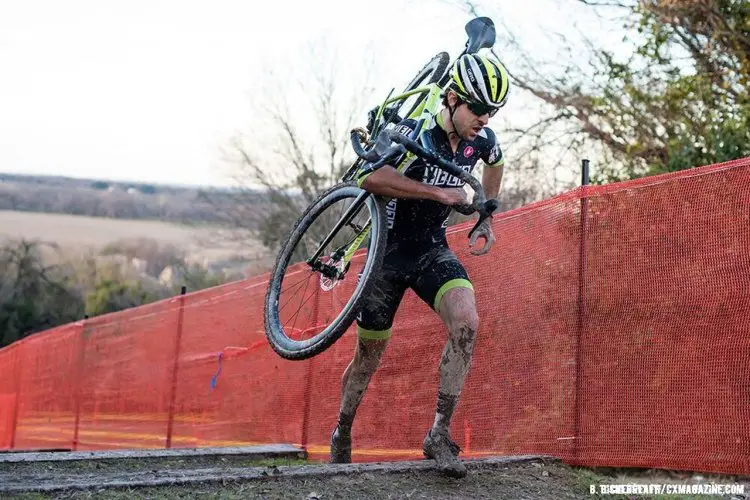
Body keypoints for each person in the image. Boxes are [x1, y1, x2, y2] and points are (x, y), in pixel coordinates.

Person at [330, 53, 510, 478]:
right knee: (368, 358)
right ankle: (342, 429)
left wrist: (486, 216)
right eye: (478, 109)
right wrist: (438, 193)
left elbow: (497, 162)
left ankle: (438, 434)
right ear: (452, 98)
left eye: (493, 111)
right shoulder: (412, 130)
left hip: (430, 249)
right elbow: (370, 179)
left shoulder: (479, 140)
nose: (485, 118)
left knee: (466, 321)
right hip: (386, 258)